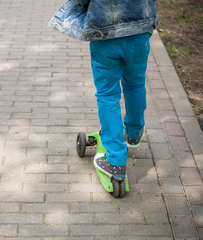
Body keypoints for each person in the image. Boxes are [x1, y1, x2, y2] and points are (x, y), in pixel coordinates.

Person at [48, 0, 158, 180]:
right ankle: (133, 133)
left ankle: (115, 159)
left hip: (105, 35)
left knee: (108, 94)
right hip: (139, 32)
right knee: (135, 85)